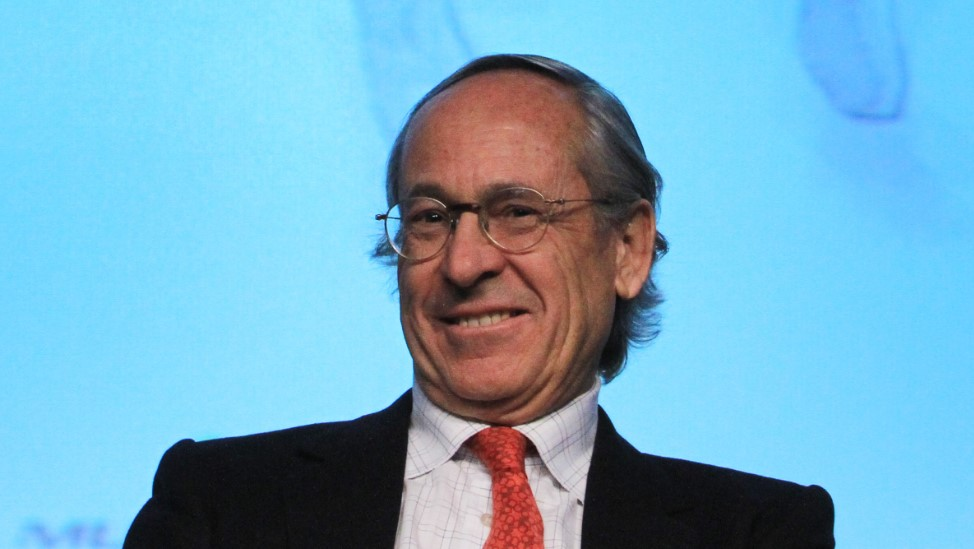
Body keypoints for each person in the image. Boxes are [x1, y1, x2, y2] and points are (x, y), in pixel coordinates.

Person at [124, 54, 834, 548]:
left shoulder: (759, 532)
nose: (464, 263)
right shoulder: (222, 505)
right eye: (431, 217)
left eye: (518, 212)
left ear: (628, 247)